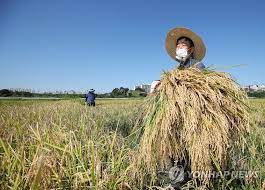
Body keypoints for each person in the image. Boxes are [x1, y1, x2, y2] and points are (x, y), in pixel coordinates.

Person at [150, 27, 206, 95]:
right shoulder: (178, 67)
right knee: (155, 83)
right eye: (178, 46)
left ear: (191, 50)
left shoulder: (197, 64)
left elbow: (200, 84)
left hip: (188, 95)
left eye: (183, 45)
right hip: (178, 94)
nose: (180, 48)